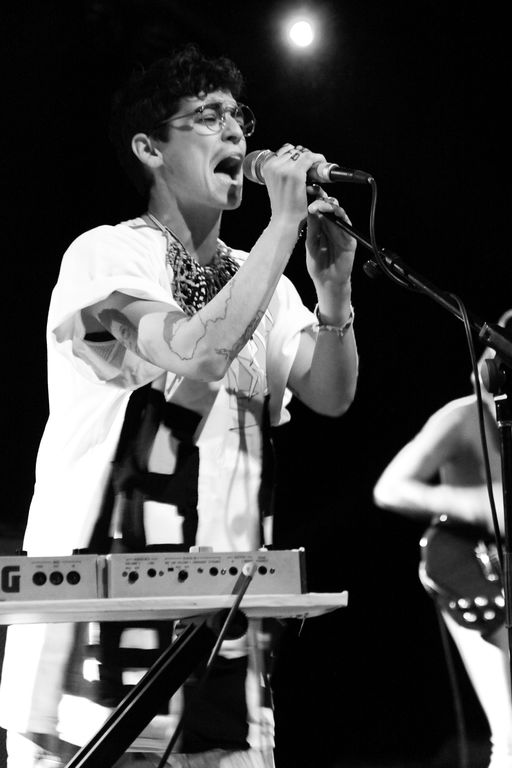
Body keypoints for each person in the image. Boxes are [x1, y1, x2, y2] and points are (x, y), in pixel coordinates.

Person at [0, 44, 359, 768]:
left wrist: (333, 292)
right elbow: (200, 352)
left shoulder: (262, 280)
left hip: (220, 631)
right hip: (95, 631)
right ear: (150, 148)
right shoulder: (106, 255)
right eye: (208, 115)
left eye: (239, 116)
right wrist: (281, 227)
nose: (236, 132)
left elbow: (331, 391)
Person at [373, 316, 512, 768]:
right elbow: (390, 488)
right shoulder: (463, 416)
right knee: (511, 735)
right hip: (473, 567)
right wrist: (475, 503)